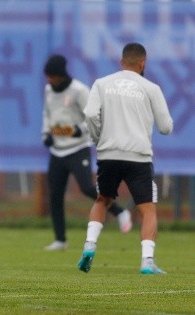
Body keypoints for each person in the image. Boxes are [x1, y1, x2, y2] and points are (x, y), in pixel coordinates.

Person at [77, 42, 173, 274]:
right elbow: (165, 127)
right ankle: (147, 261)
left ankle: (90, 246)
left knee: (102, 200)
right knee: (147, 210)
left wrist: (98, 138)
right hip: (138, 157)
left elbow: (90, 114)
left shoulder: (101, 84)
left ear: (121, 62)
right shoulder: (151, 88)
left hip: (109, 154)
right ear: (143, 64)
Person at [41, 54, 132, 251]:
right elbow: (47, 114)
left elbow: (94, 115)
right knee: (55, 195)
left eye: (52, 76)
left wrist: (78, 130)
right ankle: (60, 239)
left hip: (77, 148)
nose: (49, 80)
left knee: (86, 188)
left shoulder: (79, 90)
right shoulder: (49, 90)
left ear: (61, 74)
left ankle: (120, 211)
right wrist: (46, 133)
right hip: (57, 151)